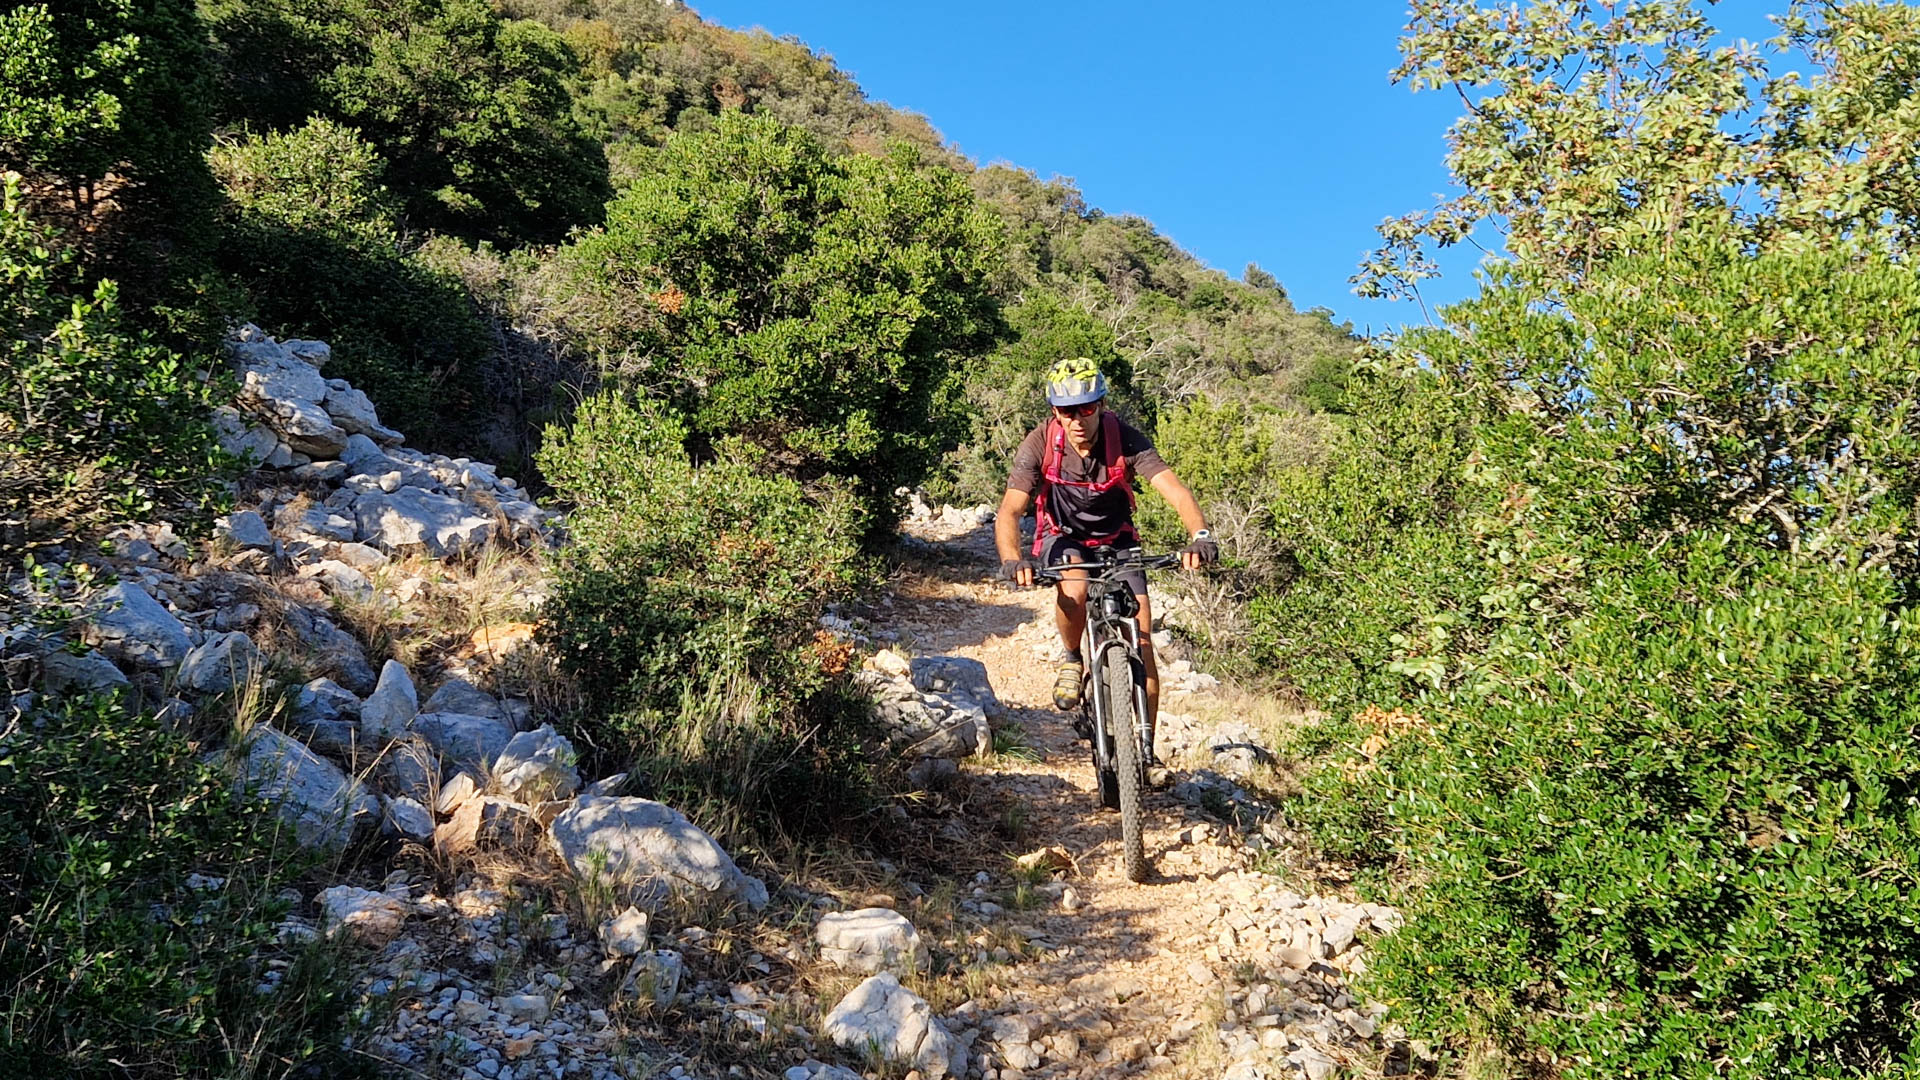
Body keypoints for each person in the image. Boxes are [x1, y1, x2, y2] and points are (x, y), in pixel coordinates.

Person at [994, 357, 1218, 761]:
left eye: (1087, 408)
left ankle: (1146, 750)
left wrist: (1199, 536)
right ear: (1054, 412)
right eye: (1067, 411)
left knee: (1143, 638)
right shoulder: (1040, 442)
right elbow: (1010, 510)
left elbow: (1177, 492)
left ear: (1100, 404)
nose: (1077, 419)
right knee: (1075, 588)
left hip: (1118, 540)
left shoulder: (1125, 439)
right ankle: (1072, 658)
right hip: (1062, 537)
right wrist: (1013, 559)